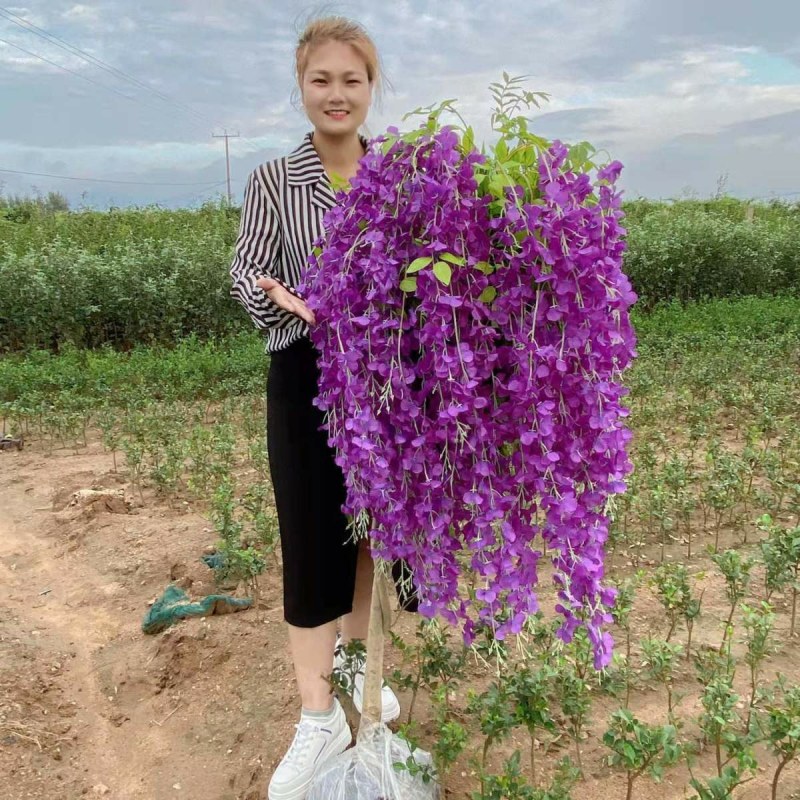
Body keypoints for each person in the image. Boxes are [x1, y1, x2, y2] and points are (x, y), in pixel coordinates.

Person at [229, 16, 406, 800]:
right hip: (307, 378)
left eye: (352, 80)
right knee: (310, 541)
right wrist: (288, 305)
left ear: (371, 88)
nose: (337, 95)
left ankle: (363, 682)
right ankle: (316, 718)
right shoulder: (274, 179)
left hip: (387, 385)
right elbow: (245, 269)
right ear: (301, 87)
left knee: (369, 538)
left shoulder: (398, 175)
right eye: (321, 80)